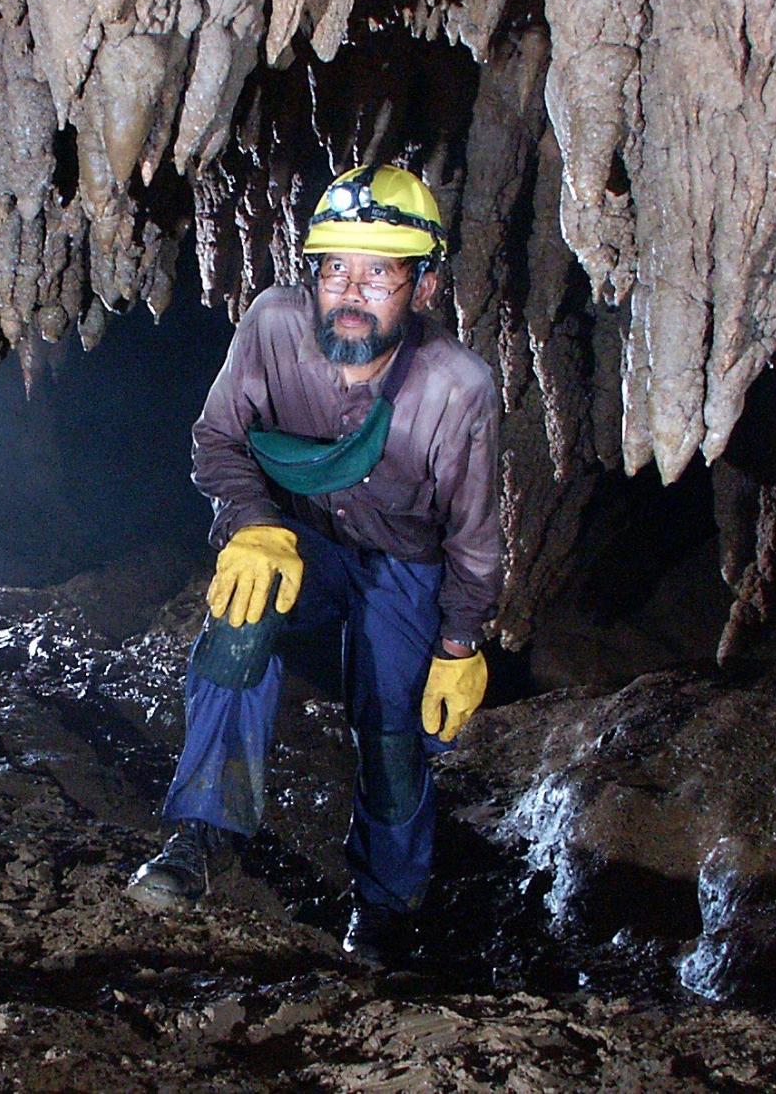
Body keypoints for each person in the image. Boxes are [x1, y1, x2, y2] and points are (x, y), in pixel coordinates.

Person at [126, 163, 501, 964]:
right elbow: (217, 439)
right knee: (239, 619)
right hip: (303, 540)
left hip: (406, 564)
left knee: (396, 735)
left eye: (379, 272)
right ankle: (204, 834)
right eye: (335, 268)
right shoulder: (271, 328)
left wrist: (460, 646)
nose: (352, 292)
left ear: (424, 288)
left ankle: (385, 904)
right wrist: (252, 524)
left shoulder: (456, 387)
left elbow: (472, 533)